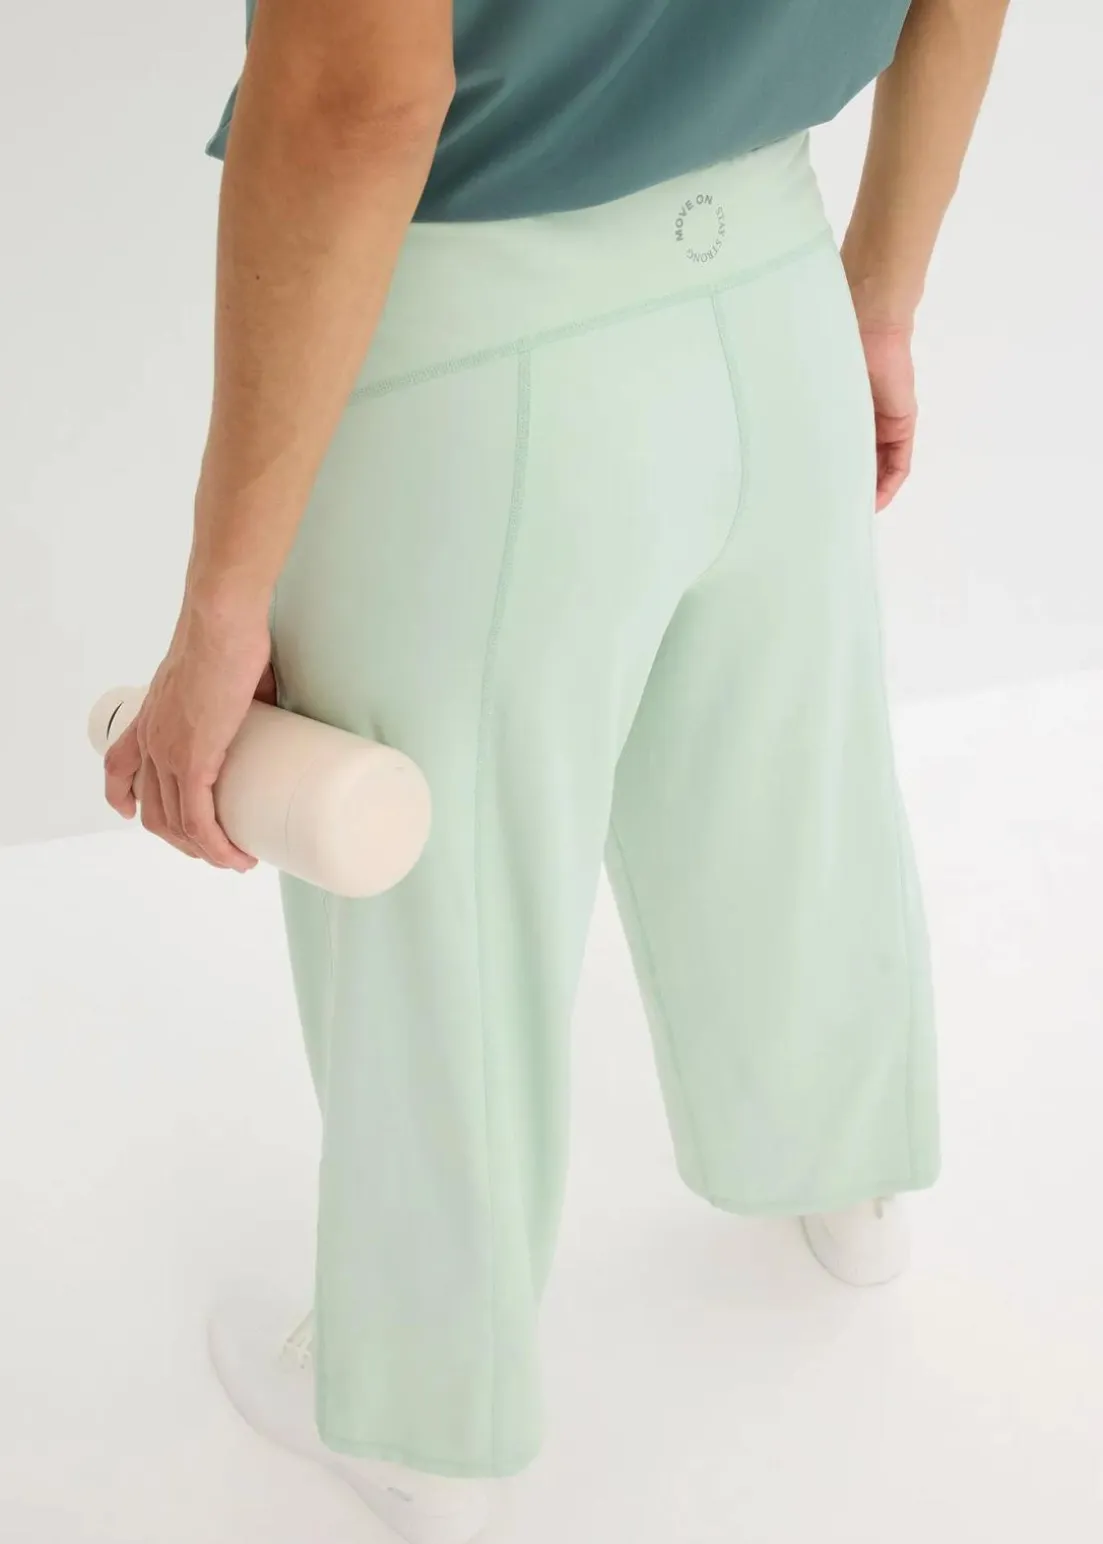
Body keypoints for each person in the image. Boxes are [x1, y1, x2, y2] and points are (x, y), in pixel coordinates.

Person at [102, 1, 1010, 1538]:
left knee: (436, 903)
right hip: (774, 283)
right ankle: (846, 1185)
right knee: (791, 790)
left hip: (468, 337)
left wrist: (219, 603)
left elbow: (355, 101)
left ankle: (427, 1422)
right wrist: (880, 290)